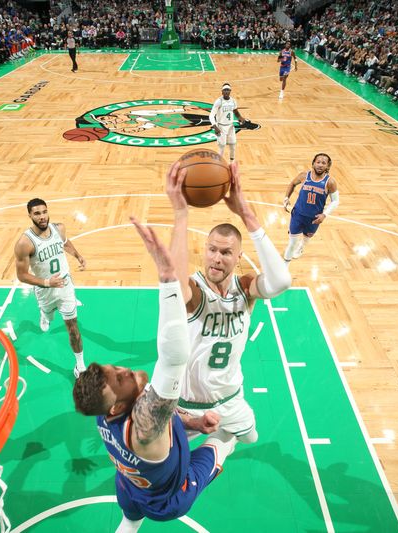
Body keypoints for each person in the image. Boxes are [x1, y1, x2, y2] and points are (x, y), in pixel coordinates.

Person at [73, 164, 236, 532]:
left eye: (115, 369)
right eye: (121, 377)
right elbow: (174, 355)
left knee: (129, 524)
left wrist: (193, 421)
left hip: (130, 485)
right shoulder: (145, 424)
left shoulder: (105, 409)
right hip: (170, 496)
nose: (126, 370)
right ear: (118, 404)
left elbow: (163, 409)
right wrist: (166, 280)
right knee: (229, 439)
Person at [178, 162, 292, 444]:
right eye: (212, 250)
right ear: (204, 251)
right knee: (159, 461)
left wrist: (245, 213)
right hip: (187, 405)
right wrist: (181, 212)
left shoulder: (245, 288)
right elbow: (174, 284)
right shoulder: (195, 290)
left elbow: (281, 281)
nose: (217, 258)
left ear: (239, 257)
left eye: (226, 252)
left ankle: (220, 442)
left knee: (251, 438)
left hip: (231, 398)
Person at [14, 198, 87, 378]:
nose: (42, 217)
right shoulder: (25, 243)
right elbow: (21, 275)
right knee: (49, 316)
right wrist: (47, 283)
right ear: (30, 215)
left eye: (44, 212)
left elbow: (66, 243)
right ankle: (45, 315)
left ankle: (80, 365)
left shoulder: (59, 228)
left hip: (65, 286)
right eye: (37, 213)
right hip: (45, 290)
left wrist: (78, 256)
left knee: (73, 328)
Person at [282, 153, 340, 262]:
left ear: (328, 166)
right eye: (318, 162)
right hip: (298, 214)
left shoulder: (330, 182)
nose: (320, 165)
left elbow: (335, 201)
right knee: (292, 242)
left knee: (307, 238)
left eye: (323, 163)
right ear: (313, 163)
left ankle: (301, 247)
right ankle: (285, 263)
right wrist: (286, 198)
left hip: (314, 218)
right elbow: (292, 184)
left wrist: (325, 214)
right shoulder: (304, 175)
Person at [209, 83, 250, 163]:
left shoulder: (233, 101)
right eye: (225, 90)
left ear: (230, 91)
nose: (226, 91)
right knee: (222, 146)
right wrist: (215, 126)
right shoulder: (219, 101)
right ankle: (218, 164)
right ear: (222, 92)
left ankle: (232, 163)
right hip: (221, 126)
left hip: (230, 126)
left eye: (228, 90)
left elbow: (235, 111)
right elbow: (211, 115)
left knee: (233, 145)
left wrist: (240, 117)